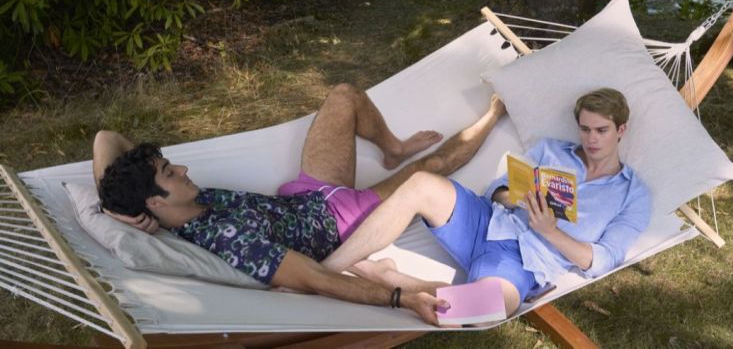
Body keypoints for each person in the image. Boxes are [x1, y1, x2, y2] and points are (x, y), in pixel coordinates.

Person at [95, 83, 507, 324]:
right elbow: (315, 278)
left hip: (307, 191)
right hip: (342, 220)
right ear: (156, 200)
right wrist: (399, 299)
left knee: (345, 95)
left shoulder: (163, 203)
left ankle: (393, 147)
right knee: (432, 168)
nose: (182, 168)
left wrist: (123, 210)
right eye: (170, 173)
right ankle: (495, 112)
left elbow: (105, 139)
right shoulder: (229, 241)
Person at [321, 88, 652, 318]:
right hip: (487, 222)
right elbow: (497, 190)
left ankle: (386, 278)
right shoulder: (551, 150)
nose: (591, 139)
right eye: (585, 129)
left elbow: (604, 259)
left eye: (601, 130)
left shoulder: (632, 194)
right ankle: (325, 271)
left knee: (487, 307)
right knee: (421, 184)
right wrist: (516, 198)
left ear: (621, 130)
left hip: (525, 261)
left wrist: (550, 232)